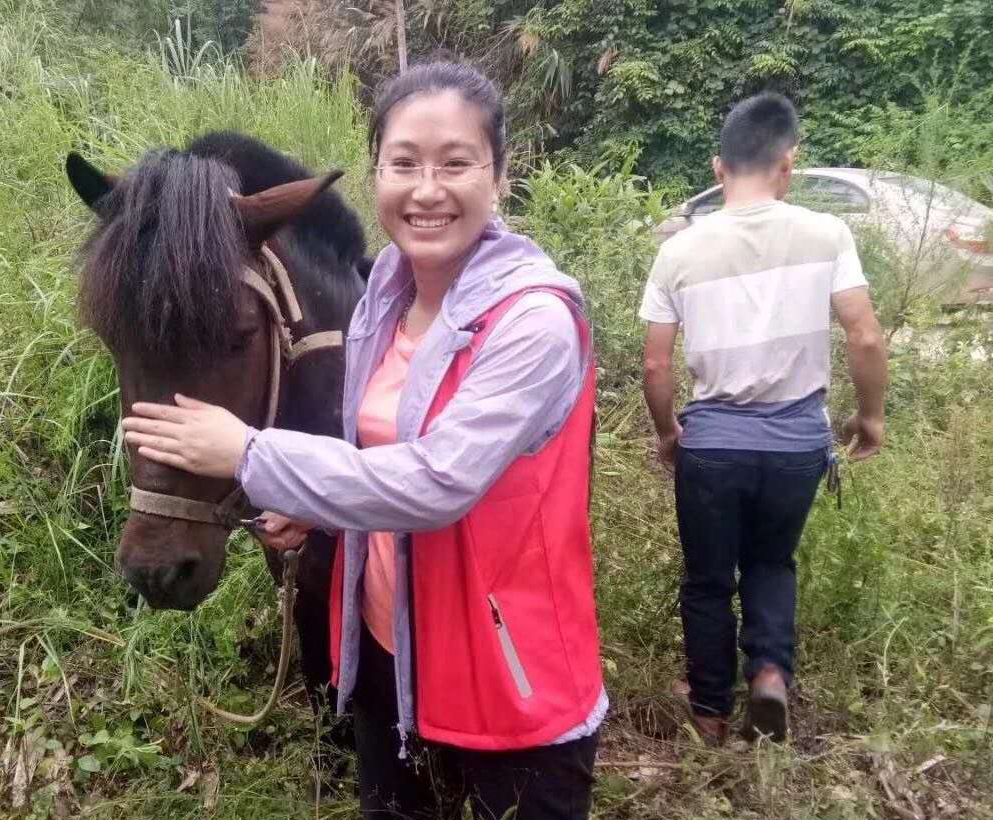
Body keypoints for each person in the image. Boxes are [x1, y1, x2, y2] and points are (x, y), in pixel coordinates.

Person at [122, 61, 605, 819]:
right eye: (403, 162)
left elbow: (439, 481)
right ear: (375, 171)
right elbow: (372, 451)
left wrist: (250, 455)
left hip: (505, 681)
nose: (426, 189)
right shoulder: (384, 296)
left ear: (500, 177)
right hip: (388, 649)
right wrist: (320, 511)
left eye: (456, 163)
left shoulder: (532, 321)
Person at [639, 92, 888, 744]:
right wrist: (871, 418)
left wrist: (669, 434)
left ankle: (711, 712)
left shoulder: (679, 250)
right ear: (789, 163)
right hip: (798, 443)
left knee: (708, 580)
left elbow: (657, 368)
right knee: (772, 564)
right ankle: (770, 675)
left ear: (719, 167)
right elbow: (864, 335)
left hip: (713, 445)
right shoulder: (826, 234)